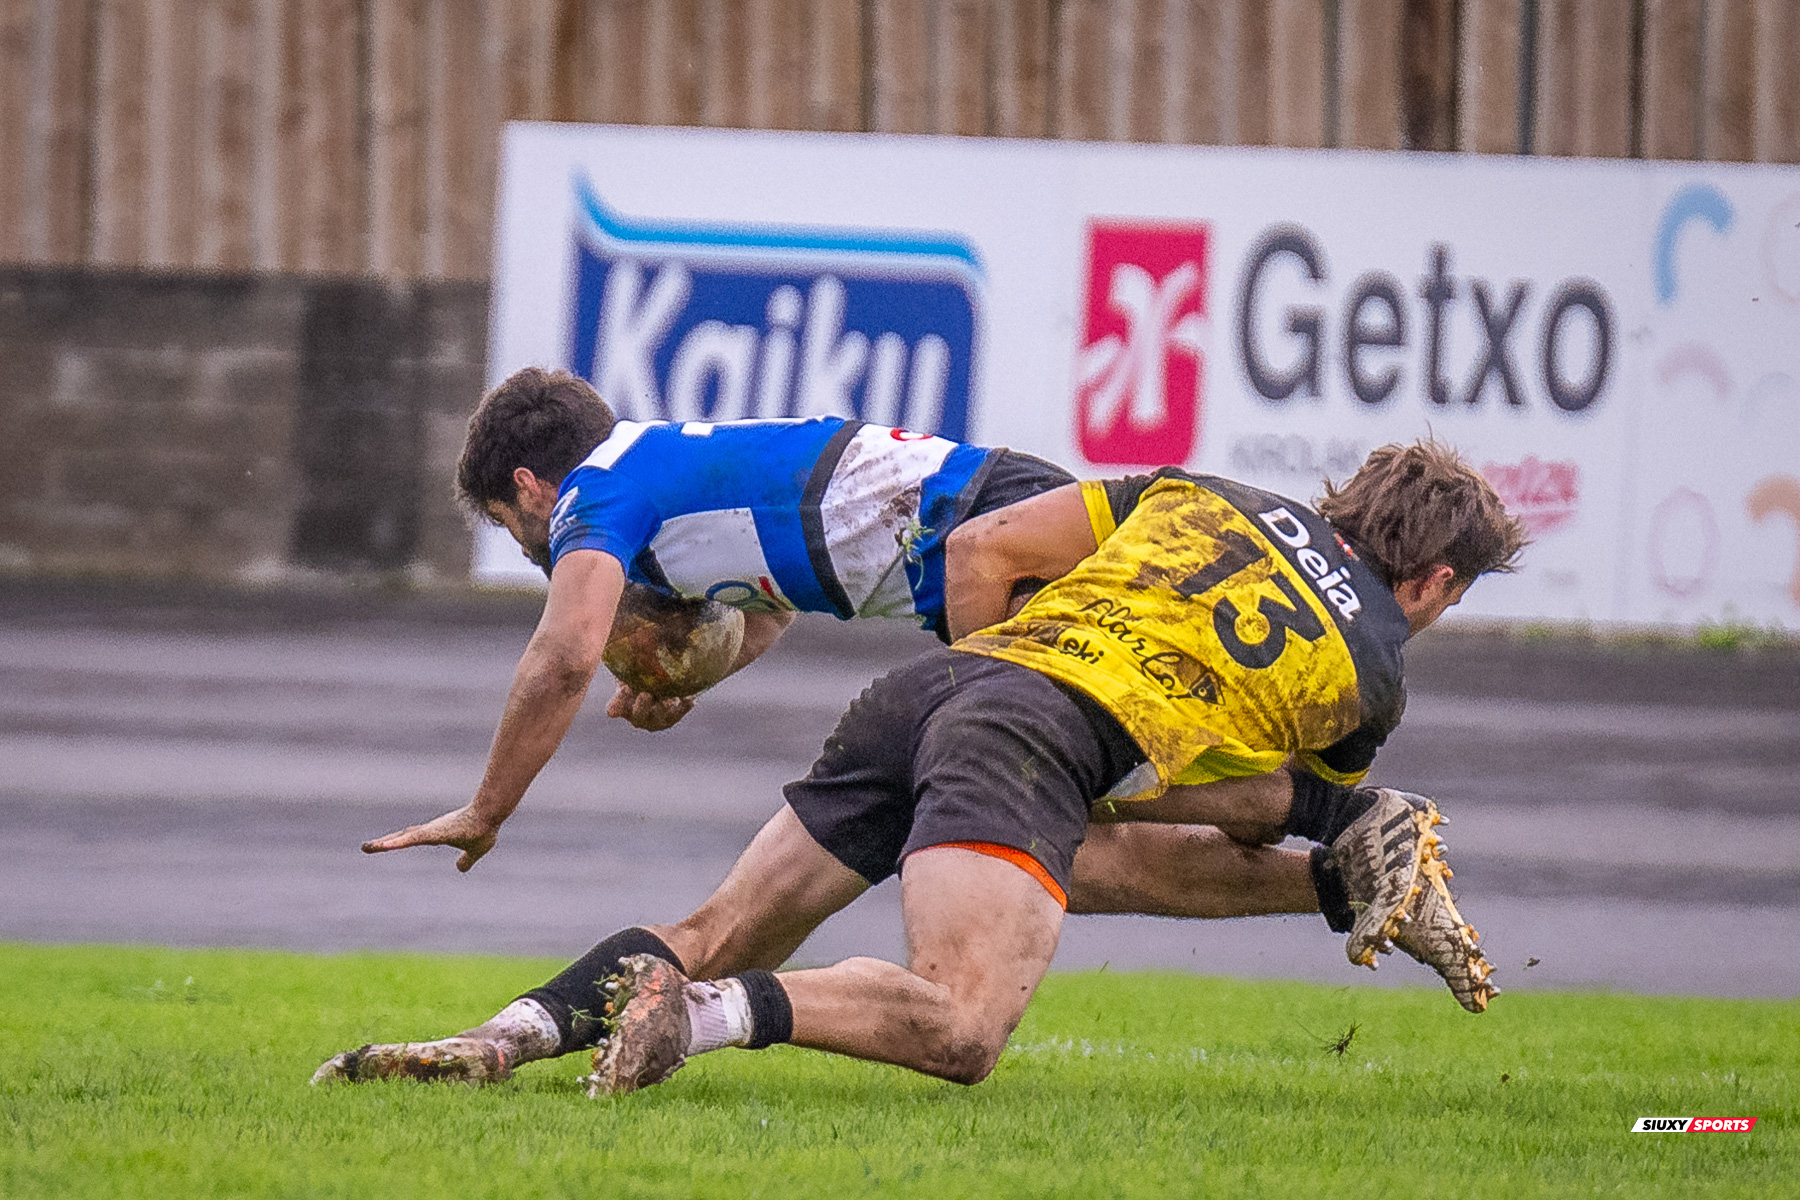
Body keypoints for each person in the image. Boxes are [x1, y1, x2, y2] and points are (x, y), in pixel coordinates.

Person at [317, 438, 1524, 1091]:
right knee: (958, 1027)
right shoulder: (1373, 669)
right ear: (1434, 584)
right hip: (1028, 736)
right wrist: (1331, 816)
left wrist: (986, 690)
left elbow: (990, 542)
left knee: (728, 917)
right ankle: (702, 1019)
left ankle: (504, 1039)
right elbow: (1243, 811)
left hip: (931, 685)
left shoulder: (1202, 491)